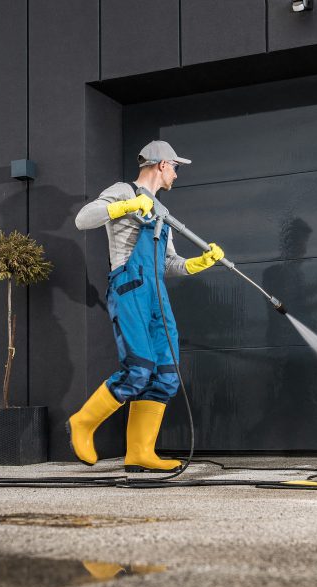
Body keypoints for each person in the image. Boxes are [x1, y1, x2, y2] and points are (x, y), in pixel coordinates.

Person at [67, 141, 225, 472]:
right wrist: (125, 207)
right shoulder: (123, 191)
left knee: (166, 374)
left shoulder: (162, 214)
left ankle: (139, 452)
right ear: (162, 165)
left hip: (156, 293)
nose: (177, 175)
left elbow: (168, 262)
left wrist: (199, 263)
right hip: (130, 288)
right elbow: (84, 219)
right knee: (138, 369)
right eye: (176, 168)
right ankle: (82, 422)